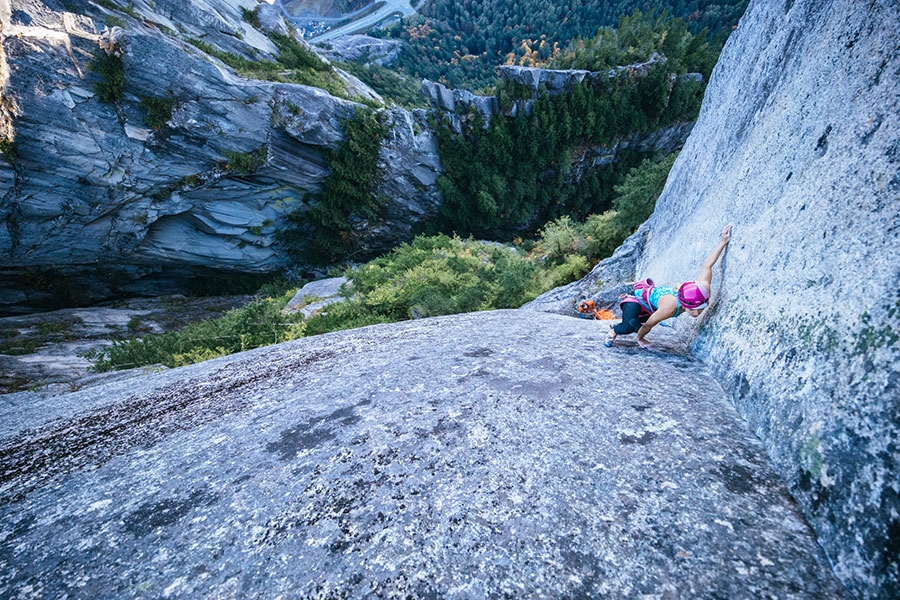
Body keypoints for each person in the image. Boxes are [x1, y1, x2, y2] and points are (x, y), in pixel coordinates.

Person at [605, 224, 733, 349]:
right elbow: (648, 326)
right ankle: (614, 330)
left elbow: (707, 265)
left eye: (700, 308)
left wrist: (723, 242)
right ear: (683, 302)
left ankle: (626, 324)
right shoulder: (670, 308)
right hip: (636, 301)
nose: (697, 313)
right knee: (631, 326)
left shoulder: (703, 289)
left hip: (651, 306)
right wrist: (640, 339)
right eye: (693, 309)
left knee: (637, 324)